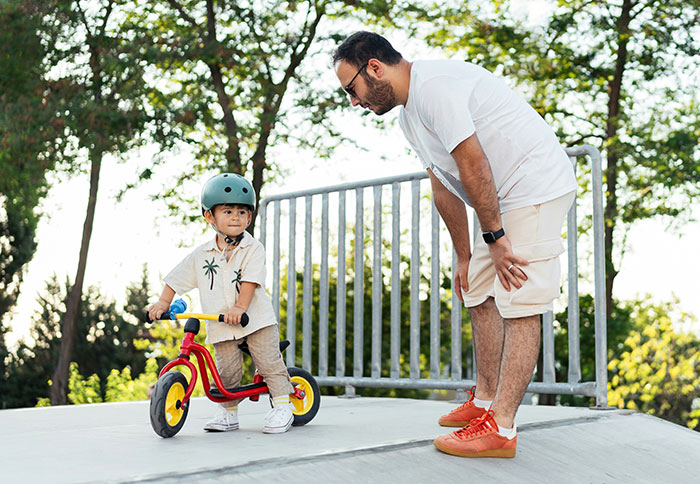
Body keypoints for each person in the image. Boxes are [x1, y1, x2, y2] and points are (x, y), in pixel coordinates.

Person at [333, 31, 577, 458]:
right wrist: (465, 255)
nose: (354, 102)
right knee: (477, 289)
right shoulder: (409, 116)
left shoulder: (435, 87)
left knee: (519, 297)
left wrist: (497, 238)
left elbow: (473, 161)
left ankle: (501, 427)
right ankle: (484, 402)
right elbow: (444, 184)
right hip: (499, 200)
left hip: (534, 187)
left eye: (351, 89)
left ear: (374, 67)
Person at [147, 173, 295, 434]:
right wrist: (162, 301)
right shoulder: (201, 254)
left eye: (242, 211)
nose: (236, 217)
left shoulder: (253, 248)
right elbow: (176, 278)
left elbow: (250, 282)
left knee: (268, 362)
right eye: (228, 211)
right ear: (209, 217)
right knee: (226, 370)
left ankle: (283, 405)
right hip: (221, 324)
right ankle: (228, 414)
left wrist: (239, 308)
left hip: (255, 320)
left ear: (249, 217)